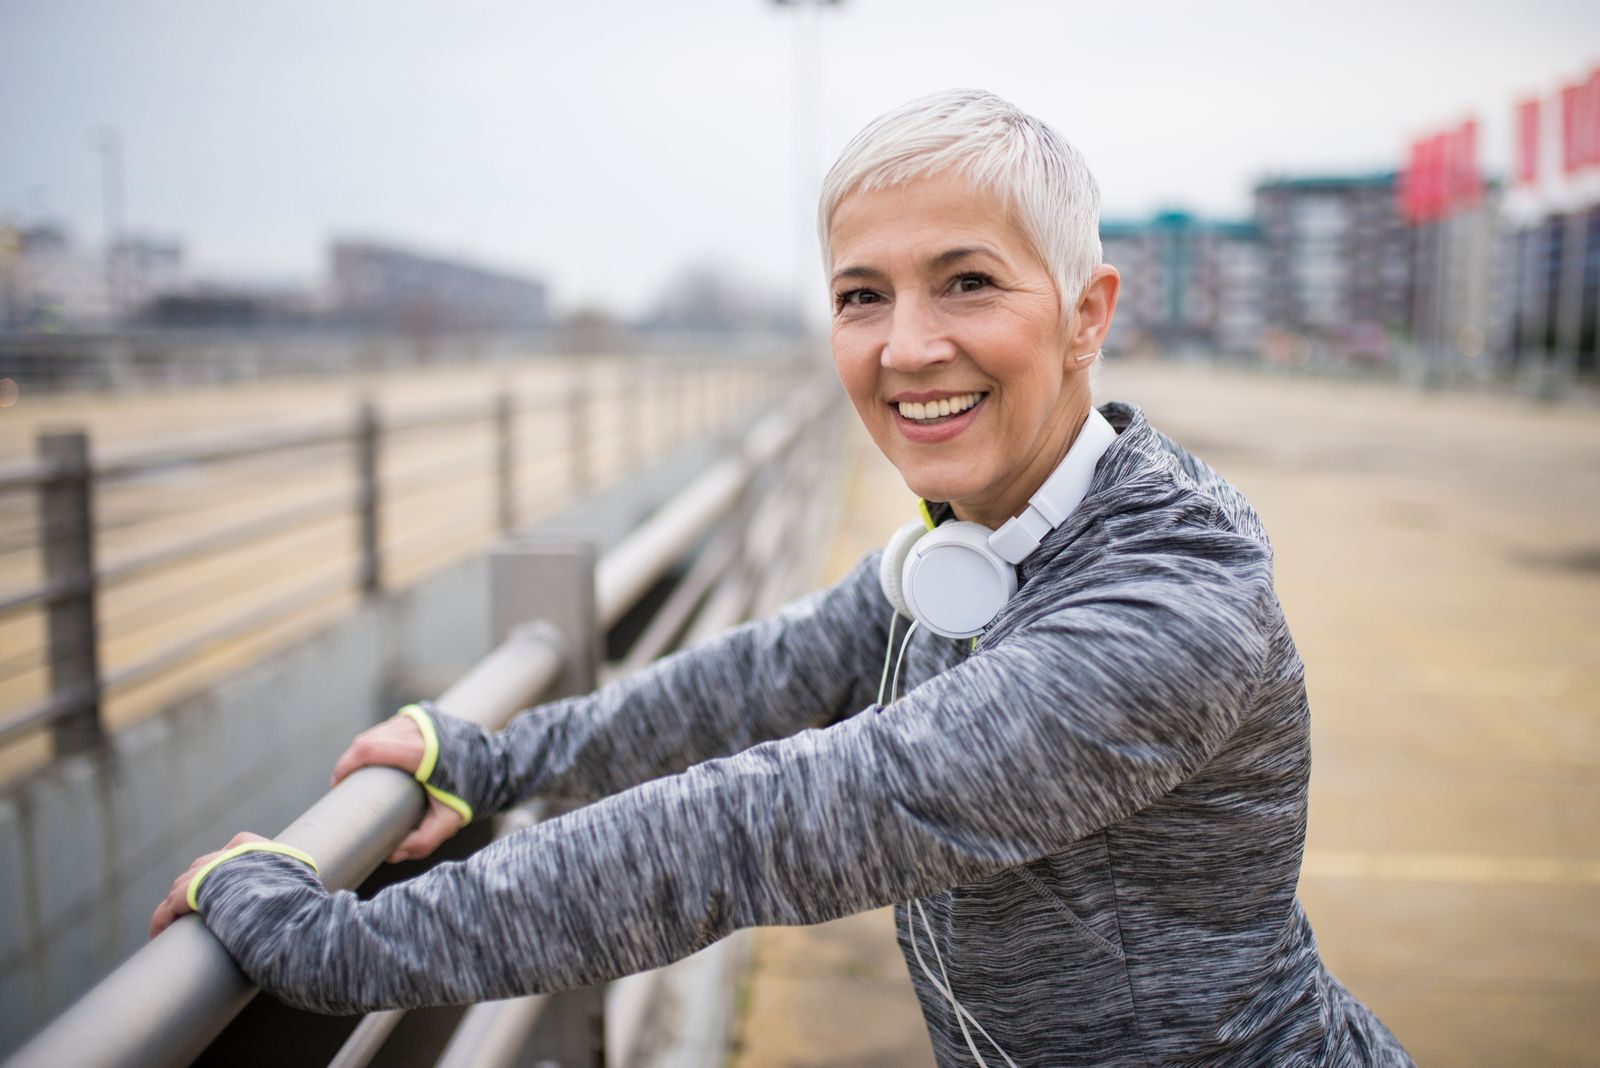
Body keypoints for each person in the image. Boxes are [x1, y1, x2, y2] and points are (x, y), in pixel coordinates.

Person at [151, 89, 1414, 1066]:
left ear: (1086, 314)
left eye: (966, 282)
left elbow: (765, 826)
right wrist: (484, 760)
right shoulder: (978, 532)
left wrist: (339, 946)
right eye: (862, 296)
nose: (908, 346)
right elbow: (763, 680)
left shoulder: (1168, 605)